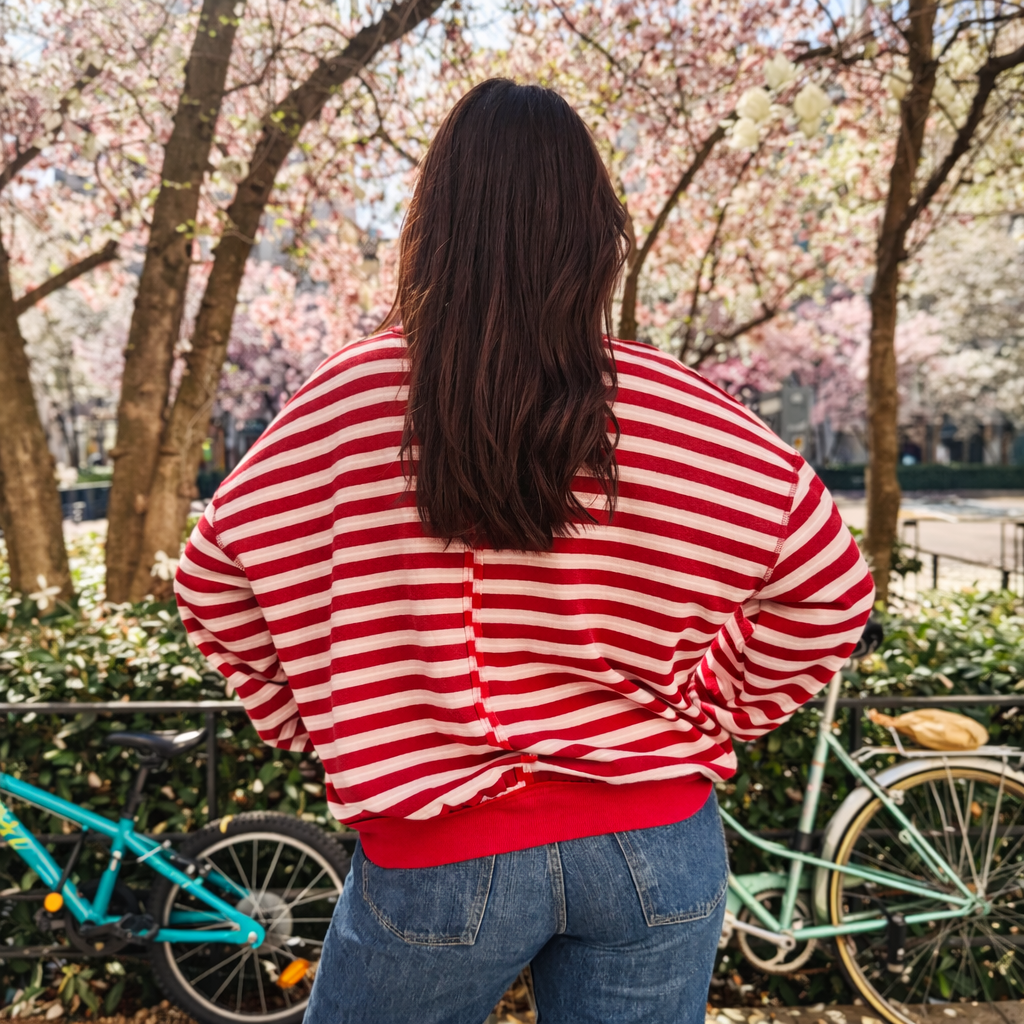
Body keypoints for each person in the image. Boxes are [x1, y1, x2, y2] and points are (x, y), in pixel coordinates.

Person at [174, 79, 874, 1024]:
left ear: (436, 223)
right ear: (596, 230)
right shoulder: (676, 410)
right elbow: (830, 586)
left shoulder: (353, 398)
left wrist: (322, 720)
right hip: (655, 841)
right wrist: (714, 705)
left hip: (438, 852)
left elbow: (212, 577)